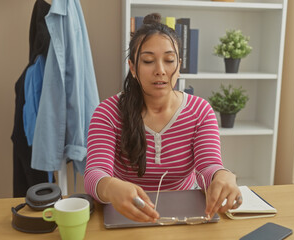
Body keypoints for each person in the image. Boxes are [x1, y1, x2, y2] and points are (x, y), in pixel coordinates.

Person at [84, 13, 242, 223]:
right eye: (148, 61)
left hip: (185, 216)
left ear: (179, 66)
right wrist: (110, 187)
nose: (160, 70)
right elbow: (95, 173)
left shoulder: (200, 111)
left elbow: (207, 167)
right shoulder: (107, 113)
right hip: (126, 214)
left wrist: (221, 175)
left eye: (169, 60)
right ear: (132, 67)